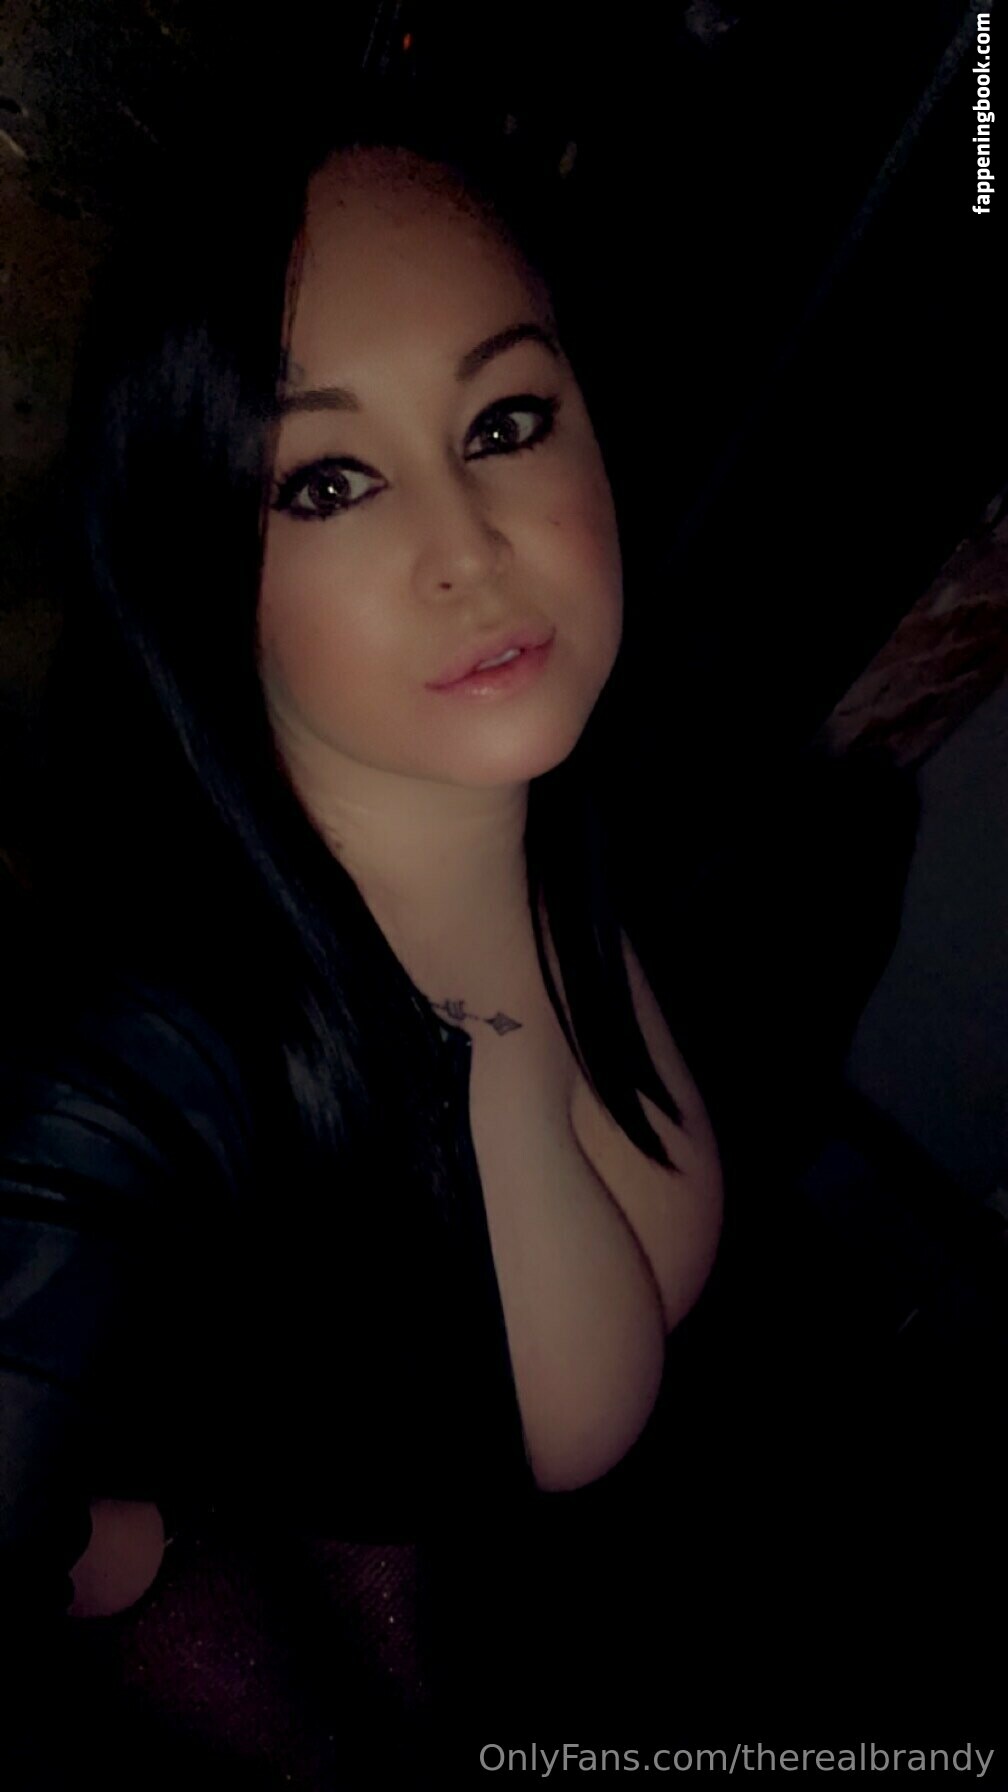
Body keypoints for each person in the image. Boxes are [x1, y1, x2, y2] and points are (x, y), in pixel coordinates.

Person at [2, 80, 867, 1784]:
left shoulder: (597, 789)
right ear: (194, 550)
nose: (468, 548)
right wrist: (117, 1560)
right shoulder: (160, 1048)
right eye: (329, 481)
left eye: (505, 421)